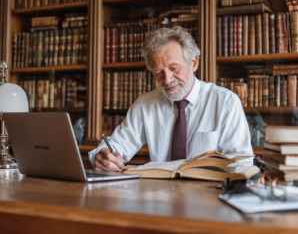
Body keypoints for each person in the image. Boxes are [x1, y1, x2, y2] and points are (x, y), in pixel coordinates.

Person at [89, 26, 253, 172]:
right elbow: (116, 145)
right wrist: (103, 155)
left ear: (193, 63)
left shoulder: (225, 102)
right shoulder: (145, 104)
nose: (166, 80)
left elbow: (241, 164)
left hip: (208, 198)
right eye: (158, 72)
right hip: (159, 197)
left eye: (174, 68)